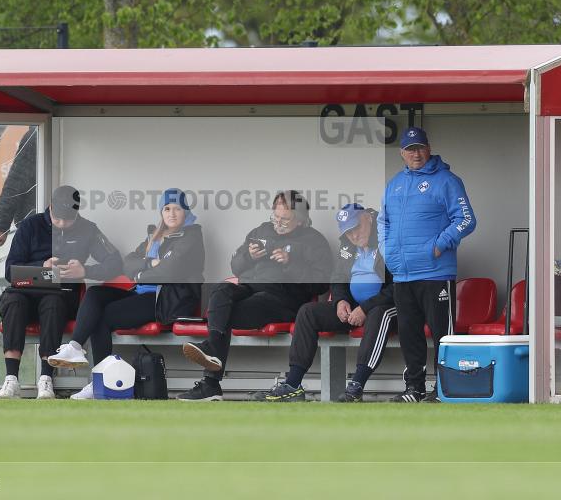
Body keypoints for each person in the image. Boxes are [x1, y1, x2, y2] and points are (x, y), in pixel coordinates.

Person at [47, 188, 205, 399]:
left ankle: (100, 382)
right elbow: (128, 263)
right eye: (167, 208)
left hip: (168, 299)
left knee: (103, 316)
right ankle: (75, 347)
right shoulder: (155, 236)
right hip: (142, 293)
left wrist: (141, 273)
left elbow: (170, 271)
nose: (172, 214)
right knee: (95, 294)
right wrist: (150, 265)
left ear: (186, 211)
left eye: (177, 208)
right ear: (161, 212)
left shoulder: (192, 235)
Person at [178, 190, 332, 401]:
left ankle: (210, 383)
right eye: (275, 217)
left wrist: (290, 263)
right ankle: (212, 350)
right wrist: (248, 257)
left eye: (285, 220)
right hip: (248, 287)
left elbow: (321, 284)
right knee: (221, 291)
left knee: (224, 315)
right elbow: (235, 265)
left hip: (283, 298)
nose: (278, 223)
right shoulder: (262, 230)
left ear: (301, 219)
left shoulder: (314, 240)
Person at [254, 204, 395, 402]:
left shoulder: (388, 237)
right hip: (355, 309)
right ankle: (293, 385)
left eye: (356, 228)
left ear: (368, 218)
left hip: (388, 306)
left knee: (380, 313)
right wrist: (340, 301)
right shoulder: (348, 245)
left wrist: (365, 308)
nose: (354, 235)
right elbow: (338, 277)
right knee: (308, 312)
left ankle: (356, 386)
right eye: (348, 232)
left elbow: (399, 285)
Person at [0, 185, 122, 400]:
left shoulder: (88, 229)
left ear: (77, 212)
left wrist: (85, 270)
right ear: (50, 207)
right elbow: (10, 271)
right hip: (25, 292)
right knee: (13, 301)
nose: (62, 224)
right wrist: (41, 267)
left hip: (61, 295)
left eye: (68, 220)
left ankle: (46, 378)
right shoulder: (30, 226)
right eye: (58, 219)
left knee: (52, 303)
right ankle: (11, 379)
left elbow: (115, 263)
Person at [379, 127, 476, 402]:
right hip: (403, 275)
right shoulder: (394, 184)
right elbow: (383, 222)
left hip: (436, 273)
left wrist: (438, 245)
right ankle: (415, 388)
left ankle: (444, 389)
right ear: (402, 153)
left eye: (420, 148)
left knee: (442, 335)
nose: (416, 154)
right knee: (410, 335)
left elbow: (467, 219)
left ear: (429, 149)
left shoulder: (447, 181)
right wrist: (387, 251)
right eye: (410, 149)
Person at [0, 128, 37, 247]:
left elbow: (16, 181)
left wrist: (1, 227)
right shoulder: (38, 134)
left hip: (37, 225)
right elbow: (16, 181)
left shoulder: (37, 135)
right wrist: (1, 225)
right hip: (36, 226)